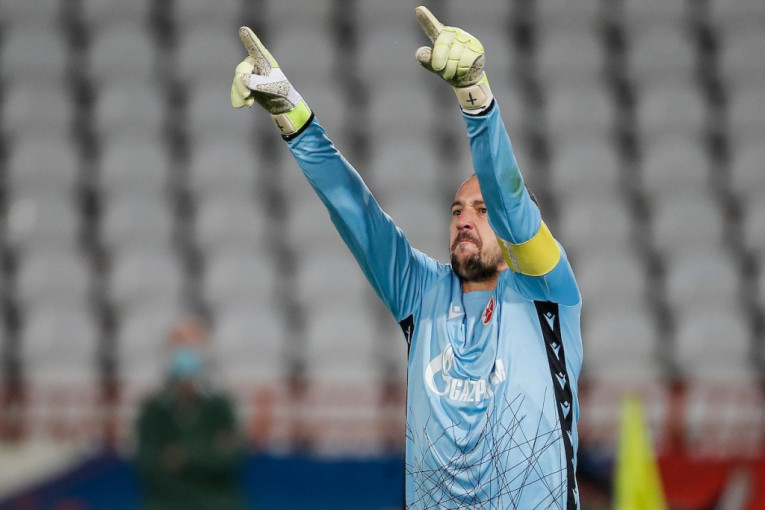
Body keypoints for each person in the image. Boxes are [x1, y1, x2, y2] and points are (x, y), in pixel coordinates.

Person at [230, 6, 583, 509]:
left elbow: (511, 201)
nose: (464, 219)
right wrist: (295, 119)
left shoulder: (547, 289)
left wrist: (475, 98)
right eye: (457, 209)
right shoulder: (421, 293)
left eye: (481, 210)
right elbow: (357, 215)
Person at [134, 316, 248, 510]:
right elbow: (148, 465)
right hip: (166, 503)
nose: (185, 353)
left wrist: (183, 456)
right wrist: (206, 452)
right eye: (179, 346)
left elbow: (229, 460)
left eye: (191, 347)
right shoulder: (154, 411)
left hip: (216, 503)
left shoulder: (219, 407)